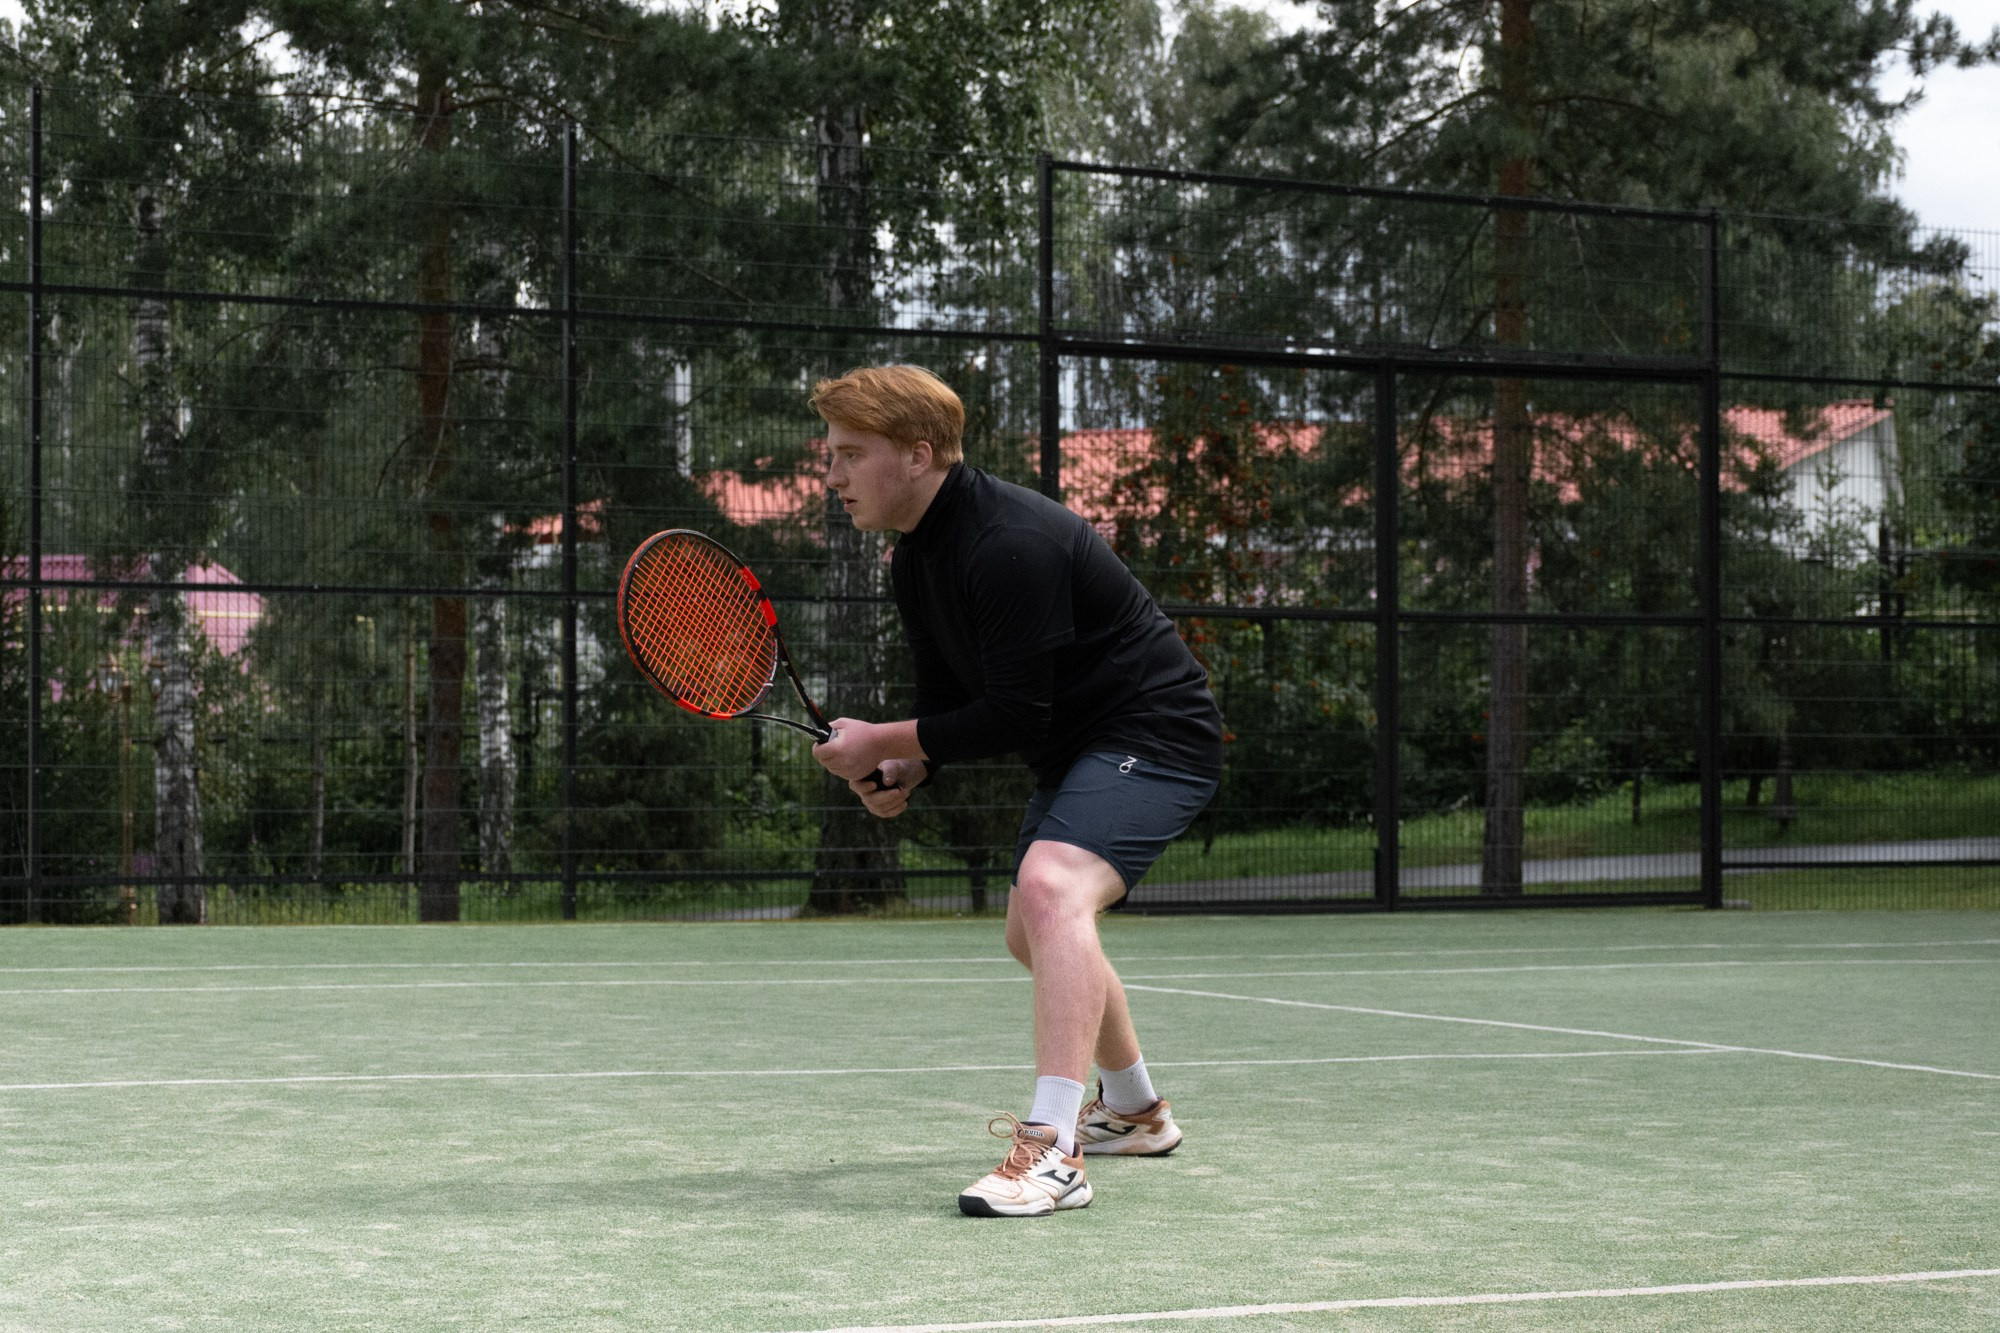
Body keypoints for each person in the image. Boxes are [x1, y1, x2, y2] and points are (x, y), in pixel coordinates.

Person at [805, 365, 1225, 1219]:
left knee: (1050, 888)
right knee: (1031, 930)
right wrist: (906, 767)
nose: (833, 476)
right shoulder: (914, 559)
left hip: (1156, 733)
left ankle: (1056, 1149)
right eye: (830, 456)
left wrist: (879, 738)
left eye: (851, 454)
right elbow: (948, 708)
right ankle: (1137, 1112)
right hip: (1078, 749)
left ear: (918, 455)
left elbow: (1011, 711)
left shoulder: (1007, 541)